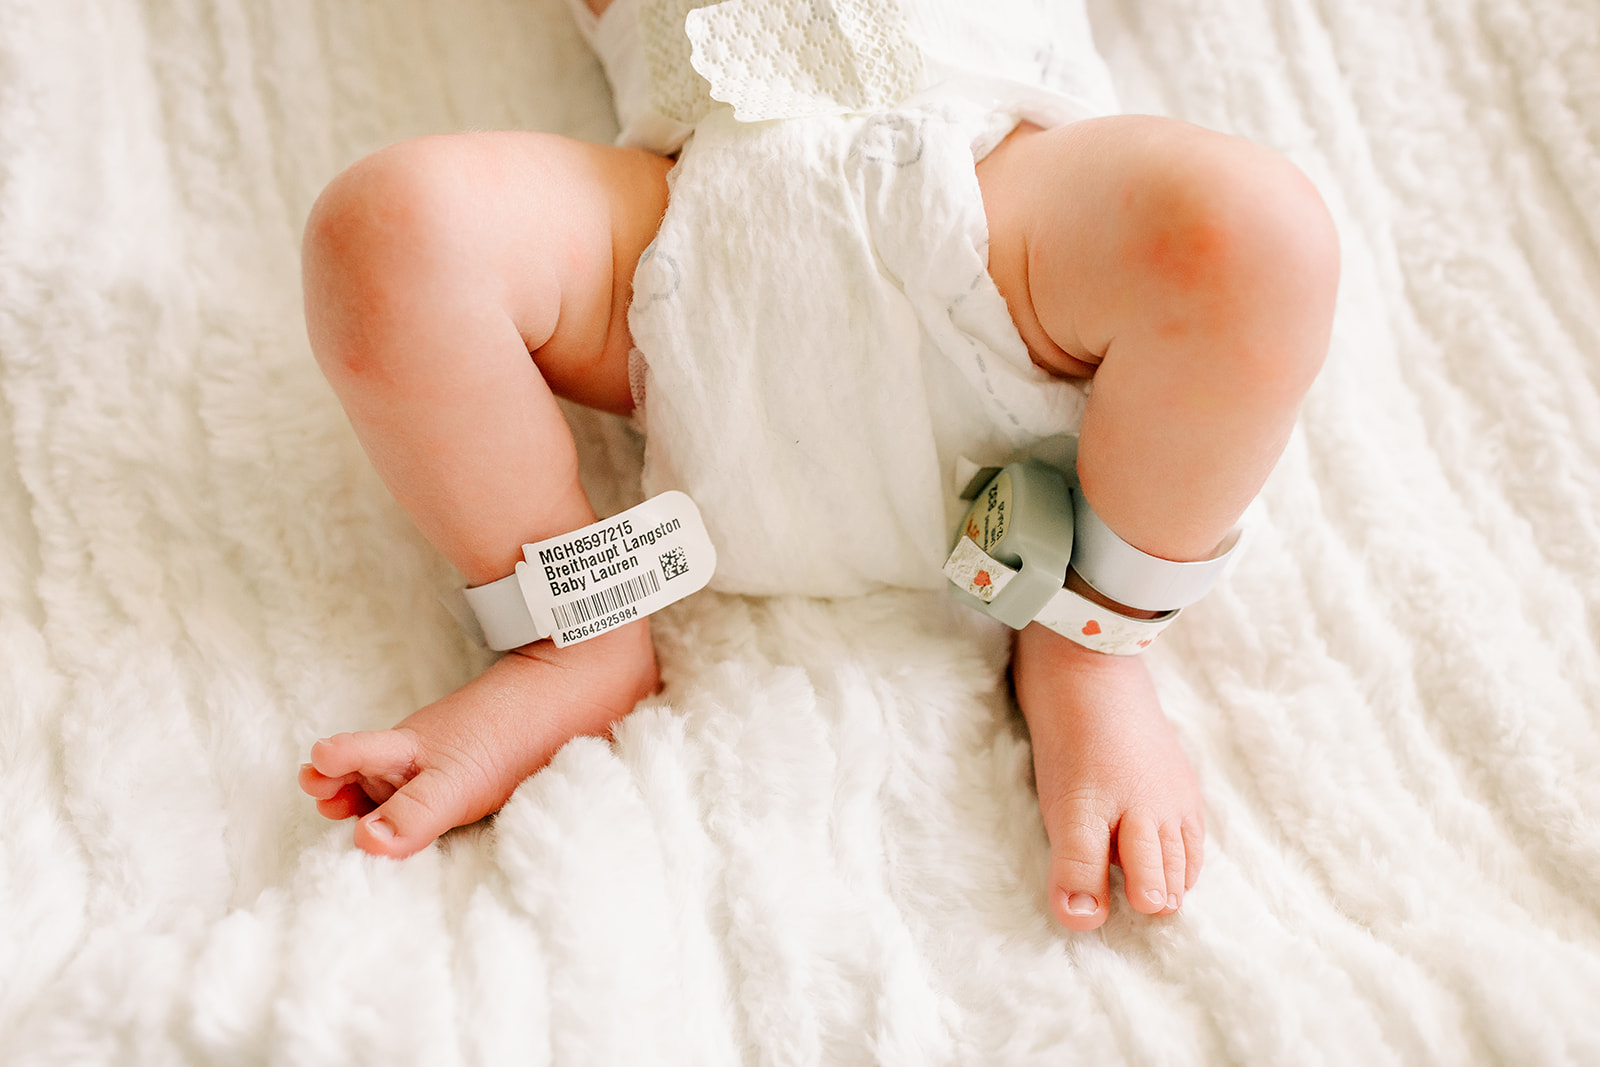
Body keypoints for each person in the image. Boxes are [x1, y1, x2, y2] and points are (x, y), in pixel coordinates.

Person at [296, 0, 1338, 932]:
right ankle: (579, 631)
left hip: (1003, 226)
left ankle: (1089, 637)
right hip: (681, 249)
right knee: (387, 231)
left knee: (1255, 232)